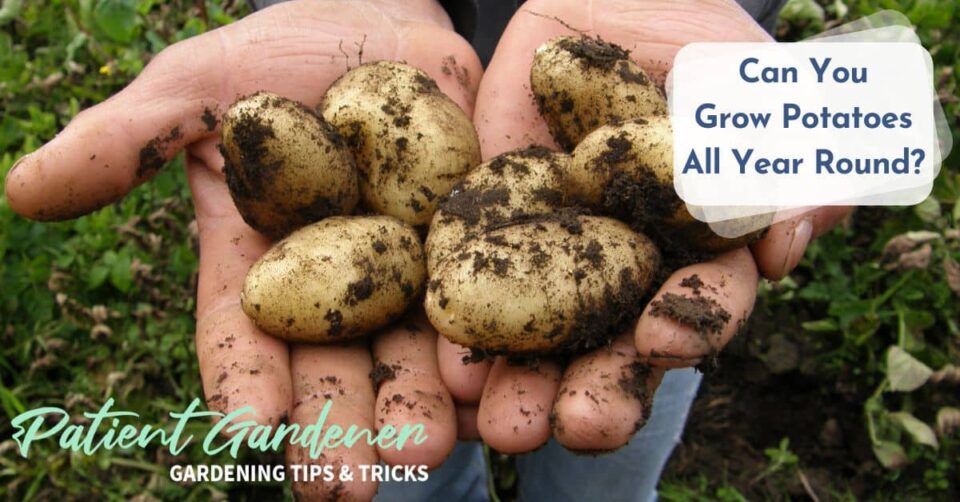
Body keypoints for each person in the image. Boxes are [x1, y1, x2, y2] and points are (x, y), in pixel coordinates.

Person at [4, 1, 850, 500]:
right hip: (398, 51)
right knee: (412, 455)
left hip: (646, 72)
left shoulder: (596, 181)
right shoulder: (410, 216)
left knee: (615, 420)